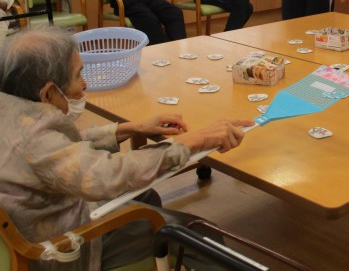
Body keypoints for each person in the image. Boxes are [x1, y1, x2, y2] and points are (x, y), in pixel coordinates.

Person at [0, 27, 254, 270]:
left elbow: (64, 148)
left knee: (145, 197)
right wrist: (192, 141)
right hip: (59, 247)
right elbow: (105, 176)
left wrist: (131, 128)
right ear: (47, 94)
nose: (85, 85)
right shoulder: (35, 139)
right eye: (78, 75)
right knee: (200, 233)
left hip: (44, 217)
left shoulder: (12, 109)